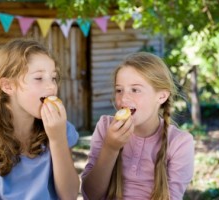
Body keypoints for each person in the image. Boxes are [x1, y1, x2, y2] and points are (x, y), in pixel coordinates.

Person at [0, 38, 80, 200]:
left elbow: (69, 196)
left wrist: (57, 140)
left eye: (53, 78)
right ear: (8, 86)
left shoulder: (61, 129)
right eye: (39, 78)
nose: (51, 86)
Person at [81, 52, 194, 200]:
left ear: (161, 96)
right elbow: (90, 194)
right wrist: (110, 148)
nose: (123, 98)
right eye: (119, 90)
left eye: (135, 90)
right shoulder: (105, 126)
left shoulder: (179, 143)